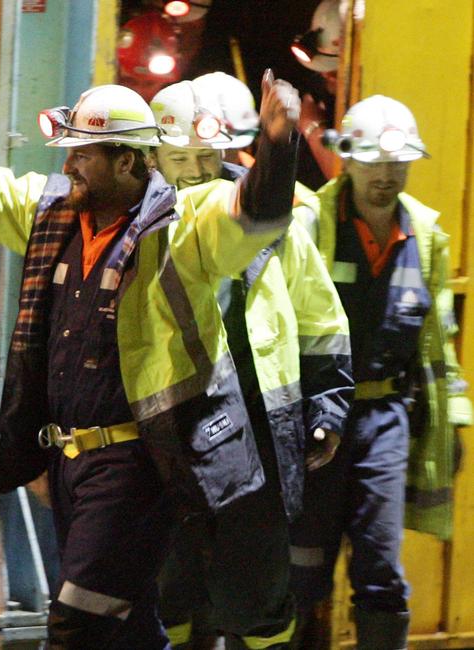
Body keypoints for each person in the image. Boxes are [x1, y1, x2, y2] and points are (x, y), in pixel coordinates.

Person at [0, 44, 302, 649]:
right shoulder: (55, 217)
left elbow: (255, 216)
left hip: (137, 464)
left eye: (83, 155)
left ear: (127, 162)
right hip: (68, 466)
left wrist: (279, 141)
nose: (69, 167)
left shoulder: (182, 224)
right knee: (130, 630)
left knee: (75, 626)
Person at [149, 73, 354, 649]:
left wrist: (328, 409)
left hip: (262, 437)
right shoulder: (134, 228)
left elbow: (320, 320)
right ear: (151, 156)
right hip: (168, 438)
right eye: (178, 157)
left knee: (257, 599)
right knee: (170, 589)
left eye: (204, 156)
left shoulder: (278, 220)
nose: (193, 170)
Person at [290, 95, 472, 650]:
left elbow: (438, 344)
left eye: (398, 162)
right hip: (314, 420)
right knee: (302, 570)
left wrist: (457, 417)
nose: (387, 174)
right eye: (373, 160)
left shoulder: (427, 238)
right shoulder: (310, 225)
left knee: (380, 567)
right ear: (346, 158)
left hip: (385, 420)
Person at [291, 0, 344, 189]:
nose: (326, 74)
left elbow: (346, 180)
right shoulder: (316, 92)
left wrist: (312, 127)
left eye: (336, 70)